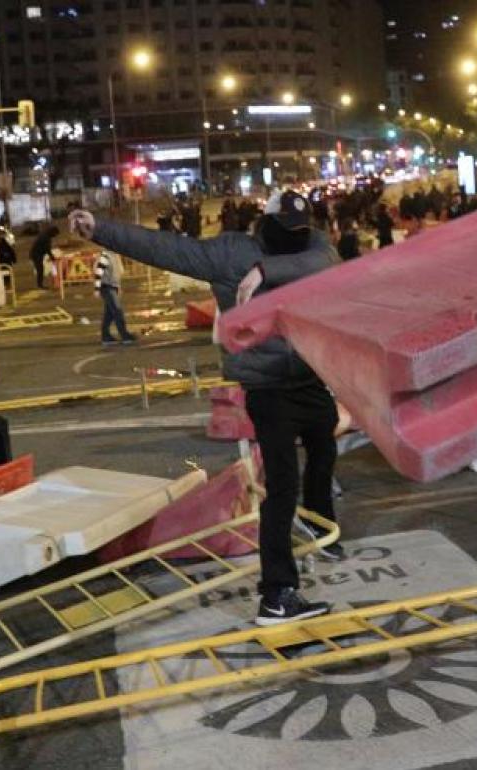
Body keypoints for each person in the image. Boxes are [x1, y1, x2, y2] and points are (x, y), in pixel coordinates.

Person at [69, 189, 340, 626]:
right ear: (264, 225)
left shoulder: (309, 246)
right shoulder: (230, 253)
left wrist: (264, 270)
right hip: (267, 384)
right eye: (285, 232)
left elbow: (327, 260)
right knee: (282, 484)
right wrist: (101, 230)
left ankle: (318, 520)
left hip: (308, 375)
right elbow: (167, 249)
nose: (296, 238)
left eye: (300, 230)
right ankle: (277, 594)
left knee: (324, 440)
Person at [93, 251, 137, 346]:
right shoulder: (105, 255)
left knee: (109, 314)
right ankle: (124, 335)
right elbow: (99, 271)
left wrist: (118, 287)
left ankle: (106, 337)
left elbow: (117, 274)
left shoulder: (115, 256)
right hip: (107, 287)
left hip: (113, 287)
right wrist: (96, 288)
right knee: (117, 311)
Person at [29, 224, 58, 289]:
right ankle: (40, 285)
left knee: (40, 269)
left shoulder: (45, 235)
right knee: (40, 269)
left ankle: (40, 284)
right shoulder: (46, 237)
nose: (55, 236)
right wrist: (52, 257)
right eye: (55, 234)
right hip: (36, 254)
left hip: (37, 254)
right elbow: (47, 249)